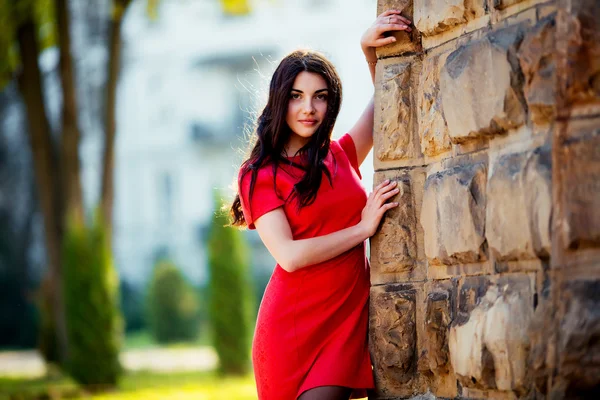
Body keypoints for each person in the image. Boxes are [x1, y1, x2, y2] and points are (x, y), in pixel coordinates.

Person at [230, 10, 413, 400]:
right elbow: (290, 256)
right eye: (296, 96)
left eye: (320, 96)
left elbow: (384, 103)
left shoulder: (339, 154)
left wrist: (369, 53)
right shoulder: (259, 174)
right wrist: (363, 229)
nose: (308, 108)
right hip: (294, 327)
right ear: (280, 101)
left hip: (345, 317)